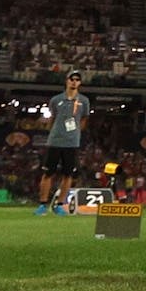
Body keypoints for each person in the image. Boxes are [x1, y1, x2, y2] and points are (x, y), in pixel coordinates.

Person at [36, 71, 92, 214]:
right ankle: (42, 204)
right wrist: (55, 131)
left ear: (80, 83)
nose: (74, 81)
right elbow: (52, 118)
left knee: (68, 175)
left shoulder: (84, 101)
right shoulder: (56, 100)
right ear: (67, 80)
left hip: (72, 143)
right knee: (48, 173)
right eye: (72, 79)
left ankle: (60, 204)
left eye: (77, 79)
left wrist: (75, 132)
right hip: (55, 141)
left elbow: (84, 119)